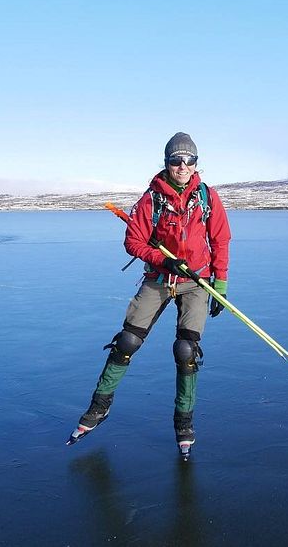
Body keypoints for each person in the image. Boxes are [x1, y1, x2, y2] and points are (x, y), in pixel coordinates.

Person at [68, 132, 231, 459]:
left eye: (189, 160)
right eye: (175, 160)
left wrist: (220, 282)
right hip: (159, 278)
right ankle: (99, 407)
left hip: (195, 280)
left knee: (186, 350)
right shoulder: (151, 199)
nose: (182, 166)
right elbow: (134, 242)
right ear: (167, 162)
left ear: (196, 163)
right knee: (127, 342)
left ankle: (183, 422)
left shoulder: (207, 197)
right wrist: (163, 259)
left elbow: (221, 239)